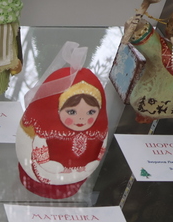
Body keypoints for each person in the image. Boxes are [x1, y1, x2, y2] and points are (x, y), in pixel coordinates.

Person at [16, 67, 108, 199]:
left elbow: (100, 149)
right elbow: (38, 154)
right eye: (72, 112)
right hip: (45, 174)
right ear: (58, 110)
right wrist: (54, 167)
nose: (81, 119)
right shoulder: (45, 133)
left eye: (91, 112)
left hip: (77, 176)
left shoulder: (97, 134)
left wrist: (89, 165)